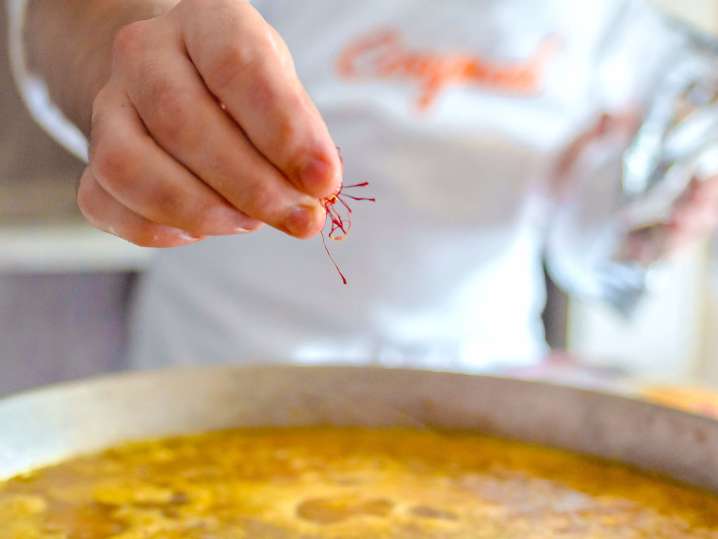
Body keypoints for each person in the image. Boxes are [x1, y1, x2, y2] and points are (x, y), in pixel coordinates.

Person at [9, 0, 718, 372]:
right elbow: (70, 13)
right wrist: (128, 58)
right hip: (221, 376)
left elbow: (592, 232)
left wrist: (651, 219)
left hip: (487, 387)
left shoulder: (618, 23)